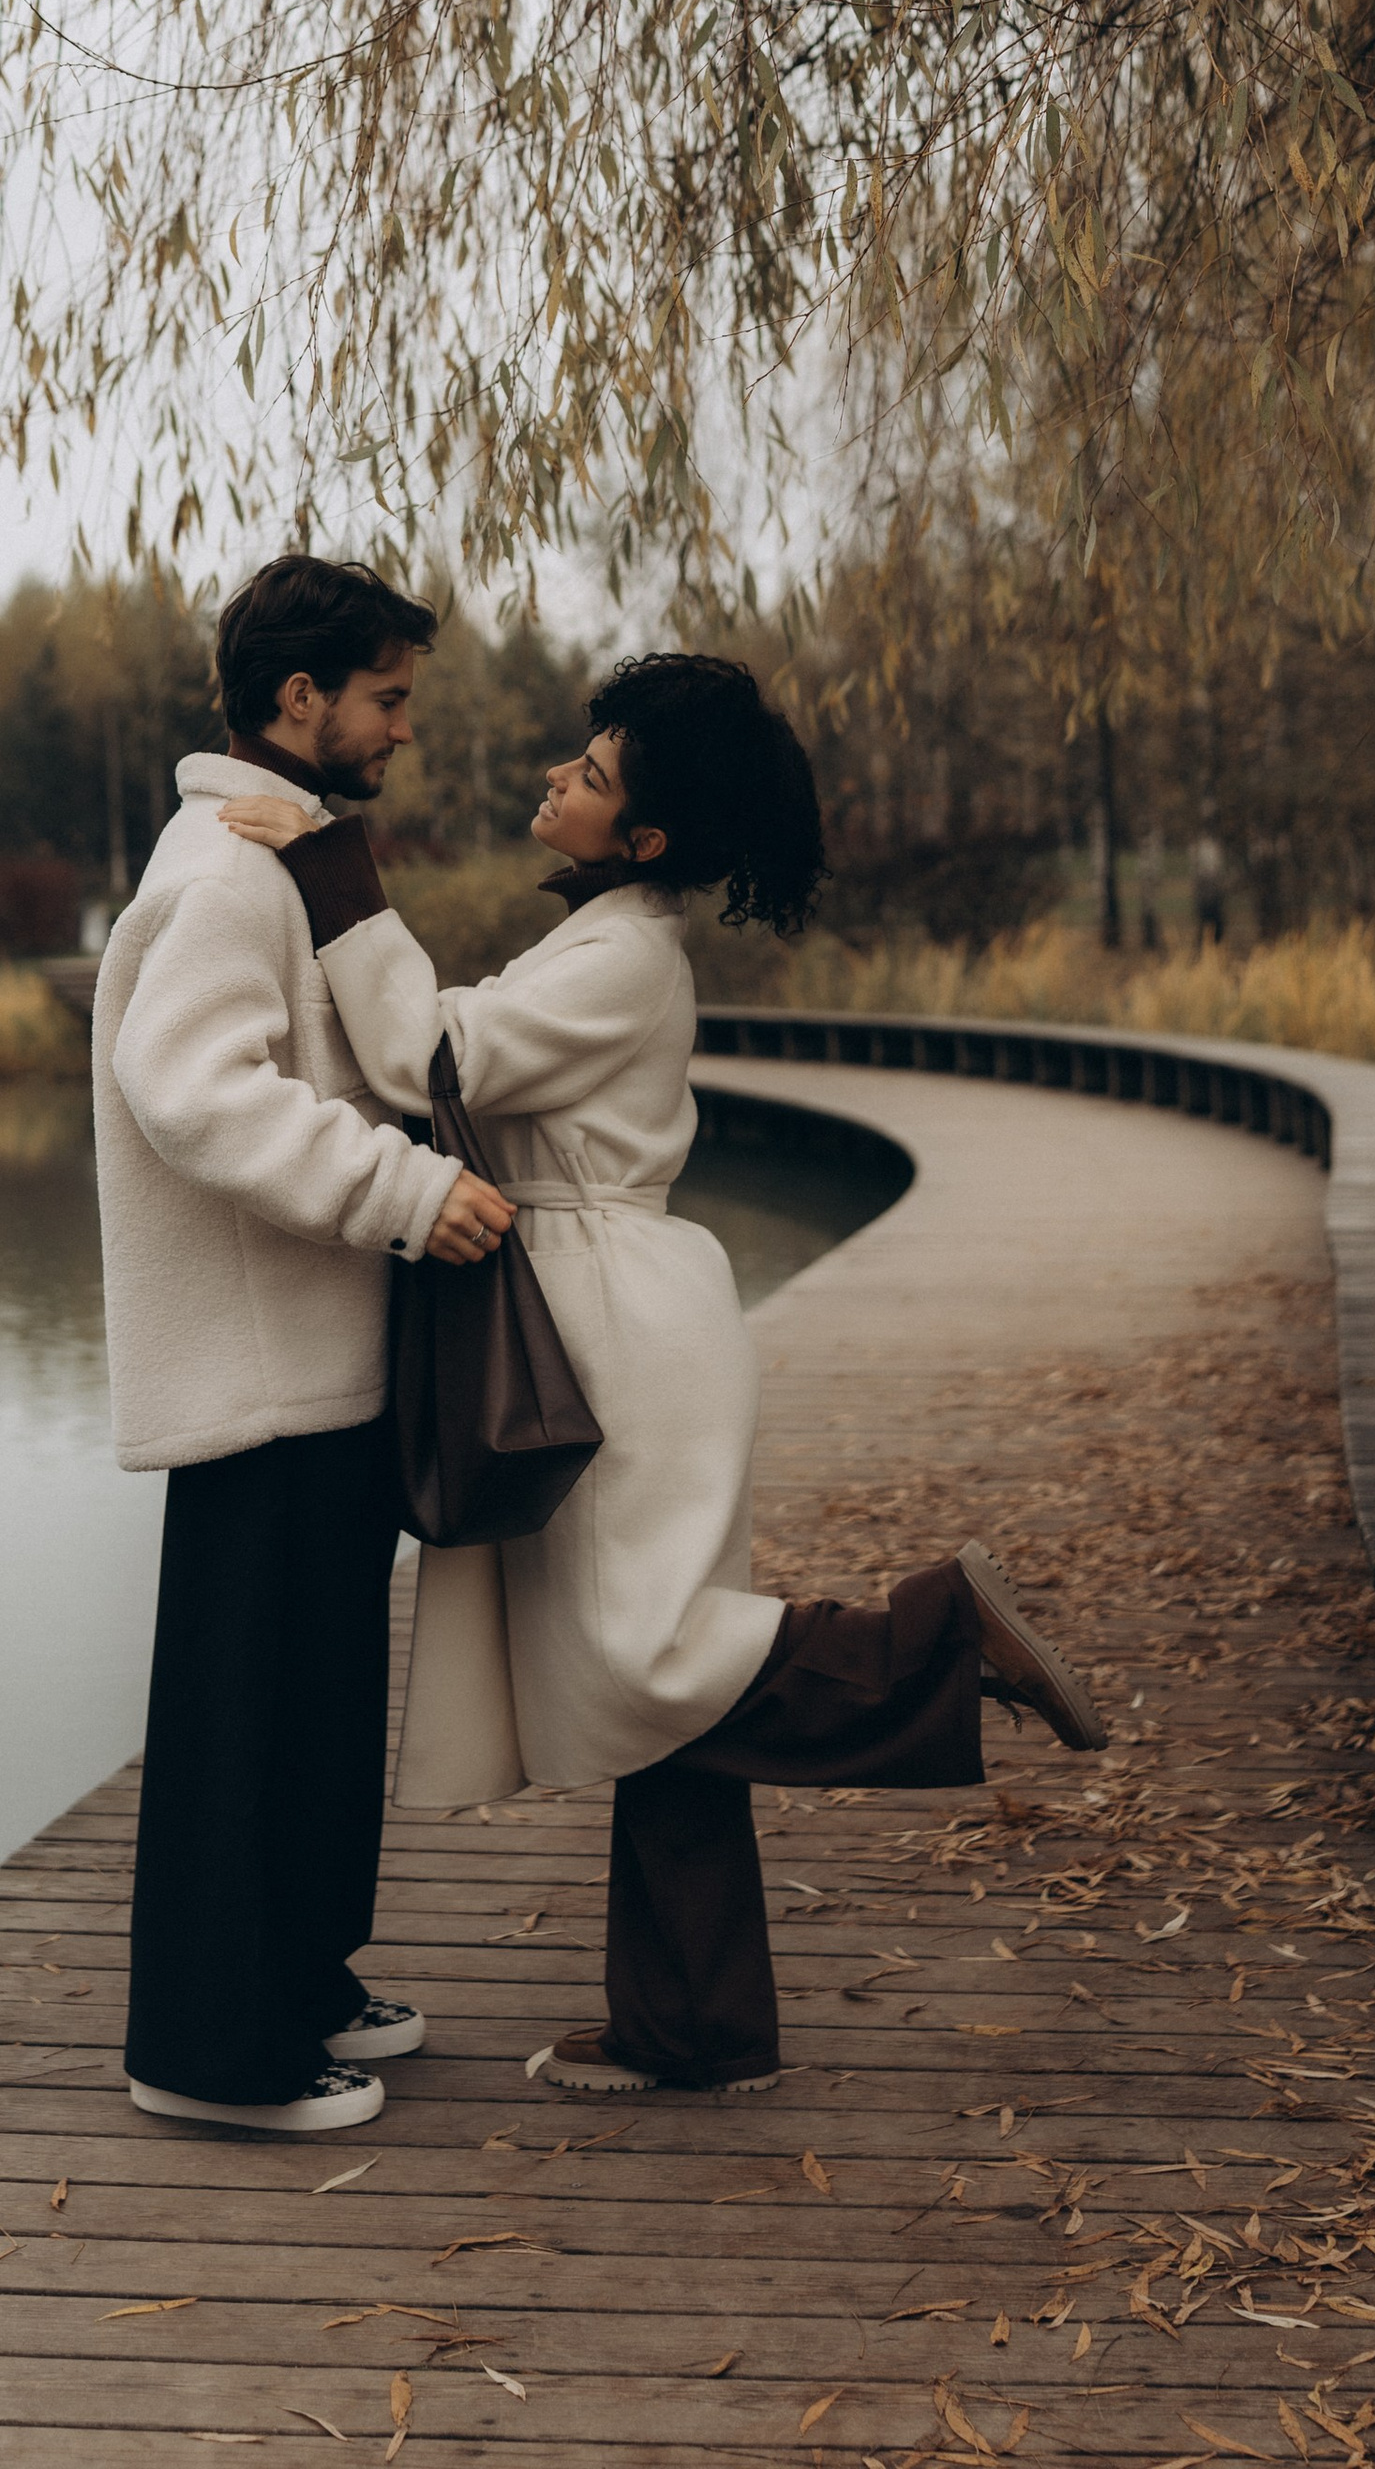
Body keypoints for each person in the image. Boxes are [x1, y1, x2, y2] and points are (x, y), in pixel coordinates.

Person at [219, 650, 1106, 2098]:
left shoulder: (624, 955)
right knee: (654, 1693)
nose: (556, 777)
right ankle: (692, 2024)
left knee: (649, 1661)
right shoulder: (608, 935)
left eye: (593, 773)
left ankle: (936, 1640)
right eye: (578, 756)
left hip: (612, 1323)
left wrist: (335, 870)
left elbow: (421, 1054)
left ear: (645, 838)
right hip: (610, 1307)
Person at [92, 554, 518, 2139]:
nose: (402, 728)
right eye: (387, 699)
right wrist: (405, 1194)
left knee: (320, 1705)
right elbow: (192, 1087)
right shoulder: (223, 872)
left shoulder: (281, 853)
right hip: (257, 1381)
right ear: (301, 700)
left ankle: (298, 1977)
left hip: (317, 1366)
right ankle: (209, 2051)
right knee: (242, 1721)